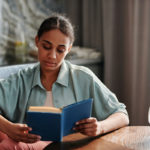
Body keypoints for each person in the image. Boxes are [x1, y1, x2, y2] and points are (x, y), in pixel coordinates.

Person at [0, 14, 129, 149]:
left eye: (60, 50)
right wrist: (8, 128)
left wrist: (100, 127)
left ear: (68, 49)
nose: (52, 56)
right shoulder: (21, 80)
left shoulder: (83, 77)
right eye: (46, 47)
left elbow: (122, 114)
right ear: (37, 41)